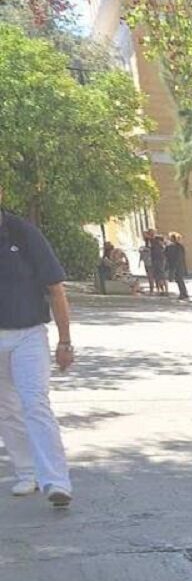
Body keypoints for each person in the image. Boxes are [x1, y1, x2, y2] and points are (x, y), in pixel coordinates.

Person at [0, 185, 76, 508]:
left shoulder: (24, 233)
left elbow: (56, 289)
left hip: (28, 334)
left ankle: (56, 481)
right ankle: (26, 472)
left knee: (35, 403)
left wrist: (65, 341)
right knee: (6, 408)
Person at [165, 232, 189, 300]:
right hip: (179, 265)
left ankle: (183, 293)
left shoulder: (175, 247)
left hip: (177, 265)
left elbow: (168, 254)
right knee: (179, 280)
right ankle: (183, 293)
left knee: (179, 280)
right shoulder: (178, 246)